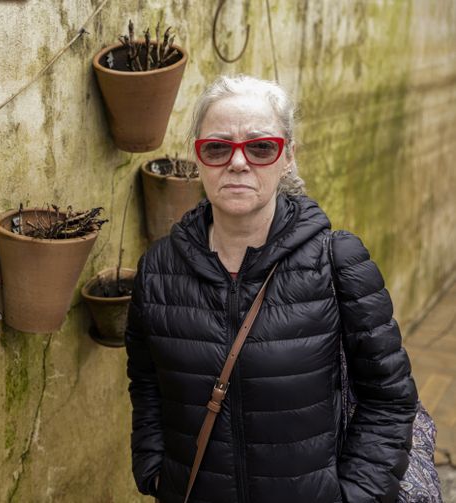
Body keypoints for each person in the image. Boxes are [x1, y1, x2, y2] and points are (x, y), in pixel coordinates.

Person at [125, 74, 418, 503]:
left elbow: (388, 399)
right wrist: (154, 470)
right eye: (218, 147)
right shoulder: (158, 270)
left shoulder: (336, 260)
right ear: (199, 158)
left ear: (288, 158)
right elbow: (147, 383)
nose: (238, 163)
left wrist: (356, 495)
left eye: (261, 147)